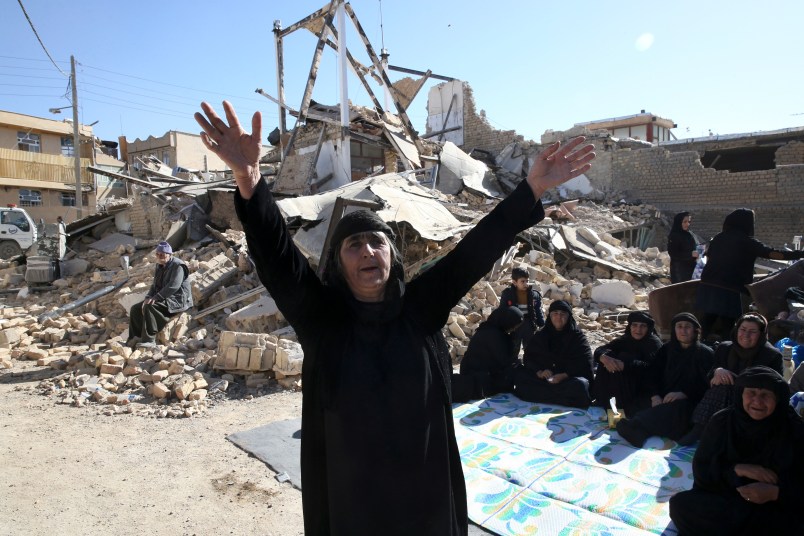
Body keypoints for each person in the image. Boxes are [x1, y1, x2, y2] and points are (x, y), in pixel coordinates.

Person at [194, 100, 594, 535]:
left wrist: (529, 192)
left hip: (423, 495)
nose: (368, 251)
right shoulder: (322, 320)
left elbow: (474, 252)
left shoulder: (420, 309)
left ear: (393, 256)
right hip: (355, 502)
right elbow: (278, 259)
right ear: (339, 265)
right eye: (354, 245)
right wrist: (249, 180)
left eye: (377, 242)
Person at [669, 366, 804, 536]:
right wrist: (737, 470)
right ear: (740, 394)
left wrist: (775, 493)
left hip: (772, 507)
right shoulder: (722, 421)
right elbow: (703, 472)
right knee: (681, 505)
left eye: (765, 395)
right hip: (728, 500)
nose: (757, 401)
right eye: (751, 393)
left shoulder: (794, 430)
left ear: (777, 399)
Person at [696, 208, 804, 341]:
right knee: (729, 323)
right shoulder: (747, 242)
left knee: (708, 319)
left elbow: (709, 257)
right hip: (730, 288)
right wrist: (800, 254)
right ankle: (727, 350)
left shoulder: (718, 238)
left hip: (708, 285)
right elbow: (773, 254)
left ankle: (699, 345)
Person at [678, 313, 782, 445]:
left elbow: (773, 385)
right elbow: (711, 373)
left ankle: (702, 431)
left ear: (761, 334)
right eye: (742, 330)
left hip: (753, 399)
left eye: (752, 332)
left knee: (723, 389)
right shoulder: (725, 348)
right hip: (720, 399)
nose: (746, 335)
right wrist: (717, 371)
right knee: (720, 388)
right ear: (736, 329)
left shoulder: (772, 355)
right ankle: (702, 430)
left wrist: (737, 380)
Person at [616, 313, 714, 447]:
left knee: (675, 410)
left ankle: (636, 426)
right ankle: (643, 427)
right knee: (638, 404)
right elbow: (652, 374)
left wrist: (684, 393)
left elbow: (706, 385)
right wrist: (655, 395)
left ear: (695, 330)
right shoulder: (667, 349)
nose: (683, 330)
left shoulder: (705, 353)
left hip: (687, 401)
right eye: (679, 326)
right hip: (663, 397)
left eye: (687, 327)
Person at [513, 300, 594, 409]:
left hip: (566, 381)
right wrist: (539, 371)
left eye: (562, 314)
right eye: (555, 313)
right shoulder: (541, 335)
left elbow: (585, 362)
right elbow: (529, 357)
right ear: (550, 316)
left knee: (580, 385)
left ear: (569, 316)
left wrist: (564, 375)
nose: (558, 317)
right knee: (520, 375)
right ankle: (559, 398)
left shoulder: (577, 337)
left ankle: (543, 396)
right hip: (544, 380)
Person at [591, 310, 662, 415]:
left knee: (622, 357)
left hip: (643, 388)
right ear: (630, 326)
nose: (638, 330)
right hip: (621, 384)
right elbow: (600, 349)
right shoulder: (626, 339)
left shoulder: (654, 344)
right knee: (608, 356)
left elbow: (652, 369)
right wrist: (603, 357)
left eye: (643, 326)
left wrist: (626, 365)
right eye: (635, 325)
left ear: (648, 328)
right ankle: (602, 400)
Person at [127, 241, 193, 348]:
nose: (159, 257)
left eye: (162, 255)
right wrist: (148, 297)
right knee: (135, 308)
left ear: (169, 254)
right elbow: (154, 285)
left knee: (150, 306)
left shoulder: (178, 265)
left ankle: (149, 340)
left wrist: (157, 297)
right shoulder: (160, 266)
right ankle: (135, 337)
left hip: (177, 299)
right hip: (164, 297)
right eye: (158, 254)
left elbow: (174, 286)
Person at [452, 306, 524, 403]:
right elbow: (505, 362)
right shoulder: (493, 335)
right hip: (478, 377)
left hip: (479, 371)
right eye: (513, 326)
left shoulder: (491, 329)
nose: (513, 330)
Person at [499, 266, 545, 358]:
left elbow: (537, 310)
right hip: (514, 326)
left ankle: (530, 367)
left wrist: (542, 324)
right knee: (513, 347)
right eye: (522, 281)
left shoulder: (534, 294)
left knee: (530, 349)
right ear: (514, 282)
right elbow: (502, 310)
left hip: (529, 324)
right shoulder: (507, 294)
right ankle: (512, 365)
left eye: (527, 281)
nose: (526, 284)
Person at [667, 211, 698, 283]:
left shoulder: (689, 234)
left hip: (691, 269)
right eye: (685, 222)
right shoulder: (674, 236)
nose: (687, 224)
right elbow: (673, 254)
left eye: (689, 222)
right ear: (679, 222)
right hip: (679, 272)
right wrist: (691, 254)